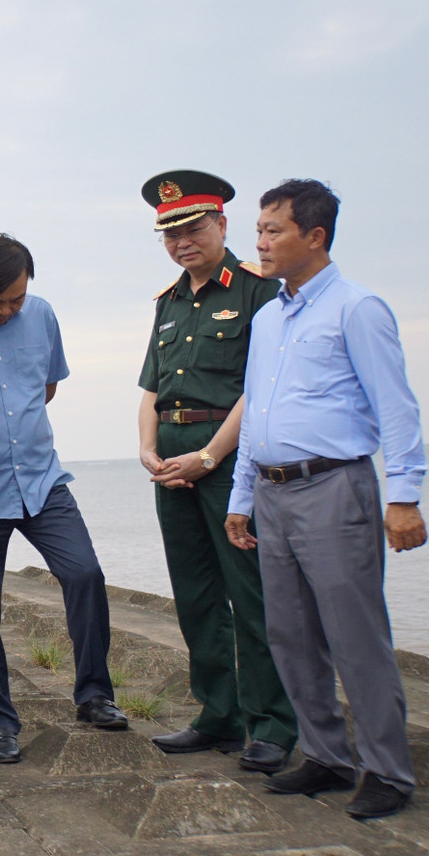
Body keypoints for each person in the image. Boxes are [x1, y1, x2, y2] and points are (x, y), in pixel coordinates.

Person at [226, 179, 428, 820]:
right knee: (289, 634)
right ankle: (325, 755)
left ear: (315, 236)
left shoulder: (357, 308)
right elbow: (257, 413)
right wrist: (240, 494)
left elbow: (396, 407)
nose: (261, 243)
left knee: (354, 634)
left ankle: (387, 771)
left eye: (273, 231)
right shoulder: (268, 318)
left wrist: (404, 495)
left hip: (335, 488)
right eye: (258, 231)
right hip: (273, 491)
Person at [0, 234, 128, 764]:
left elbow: (47, 387)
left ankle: (95, 695)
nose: (6, 310)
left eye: (15, 299)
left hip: (42, 479)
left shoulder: (40, 314)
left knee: (84, 574)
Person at [136, 170, 298, 773]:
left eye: (193, 229)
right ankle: (217, 714)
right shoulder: (168, 302)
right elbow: (151, 388)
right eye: (170, 234)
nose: (182, 242)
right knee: (196, 594)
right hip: (172, 460)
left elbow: (260, 391)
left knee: (250, 594)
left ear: (222, 225)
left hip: (230, 459)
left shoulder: (258, 291)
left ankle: (271, 723)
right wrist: (149, 451)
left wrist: (208, 457)